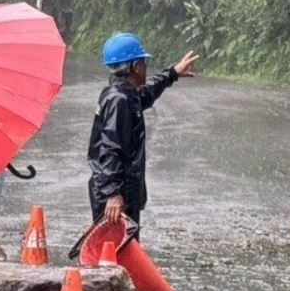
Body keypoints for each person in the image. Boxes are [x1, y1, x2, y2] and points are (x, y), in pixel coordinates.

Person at [70, 33, 198, 258]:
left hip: (120, 192)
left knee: (122, 255)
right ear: (136, 66)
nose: (146, 67)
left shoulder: (123, 94)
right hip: (114, 197)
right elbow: (110, 147)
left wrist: (172, 74)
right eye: (144, 62)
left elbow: (146, 94)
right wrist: (113, 194)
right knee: (113, 259)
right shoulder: (119, 100)